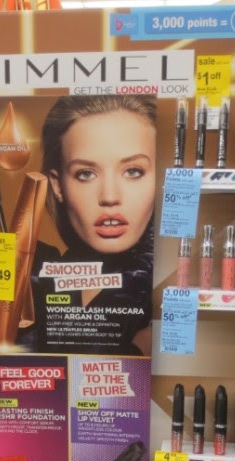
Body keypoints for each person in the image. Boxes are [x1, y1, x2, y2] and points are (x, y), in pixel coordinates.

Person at [31, 95, 156, 355]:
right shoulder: (37, 280)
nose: (109, 196)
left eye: (133, 171)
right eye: (86, 174)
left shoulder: (169, 290)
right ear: (57, 185)